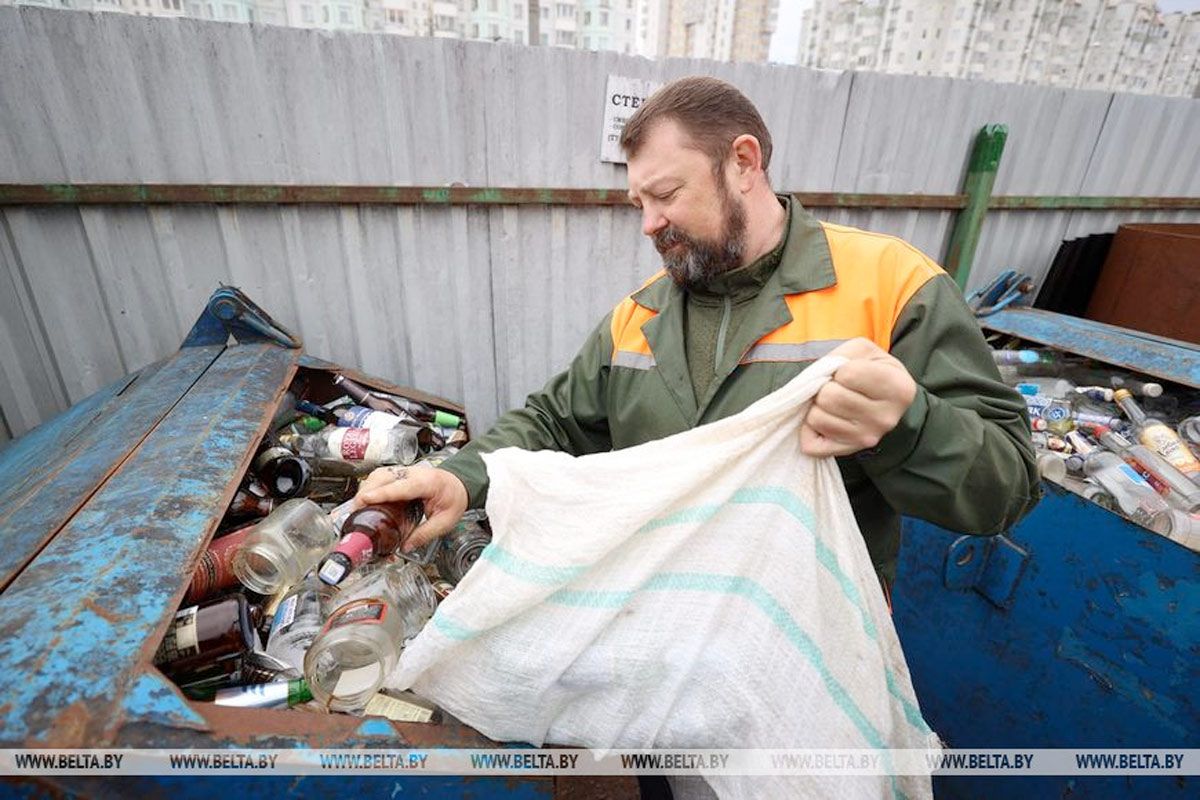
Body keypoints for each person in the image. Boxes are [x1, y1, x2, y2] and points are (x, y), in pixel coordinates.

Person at [355, 75, 1040, 596]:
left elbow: (1005, 489)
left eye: (666, 194)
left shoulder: (892, 285)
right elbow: (554, 423)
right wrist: (460, 477)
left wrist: (909, 425)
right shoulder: (640, 318)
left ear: (743, 162)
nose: (648, 223)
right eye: (638, 204)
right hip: (662, 626)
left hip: (807, 643)